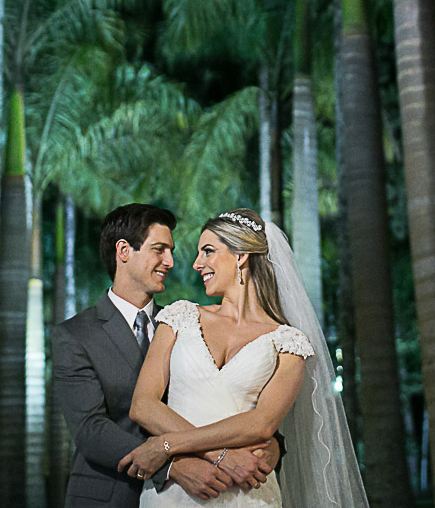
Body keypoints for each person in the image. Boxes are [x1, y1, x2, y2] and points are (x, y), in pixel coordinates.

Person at [121, 209, 369, 507]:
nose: (197, 264)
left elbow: (261, 424)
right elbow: (143, 405)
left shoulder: (288, 343)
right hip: (175, 492)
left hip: (247, 493)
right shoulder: (178, 316)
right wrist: (221, 456)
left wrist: (167, 444)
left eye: (208, 251)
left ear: (241, 256)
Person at [52, 203, 277, 508]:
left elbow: (228, 404)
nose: (170, 261)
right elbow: (91, 430)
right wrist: (174, 465)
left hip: (196, 496)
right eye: (159, 249)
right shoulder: (76, 335)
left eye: (170, 250)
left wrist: (273, 446)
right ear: (123, 251)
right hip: (109, 496)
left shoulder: (185, 325)